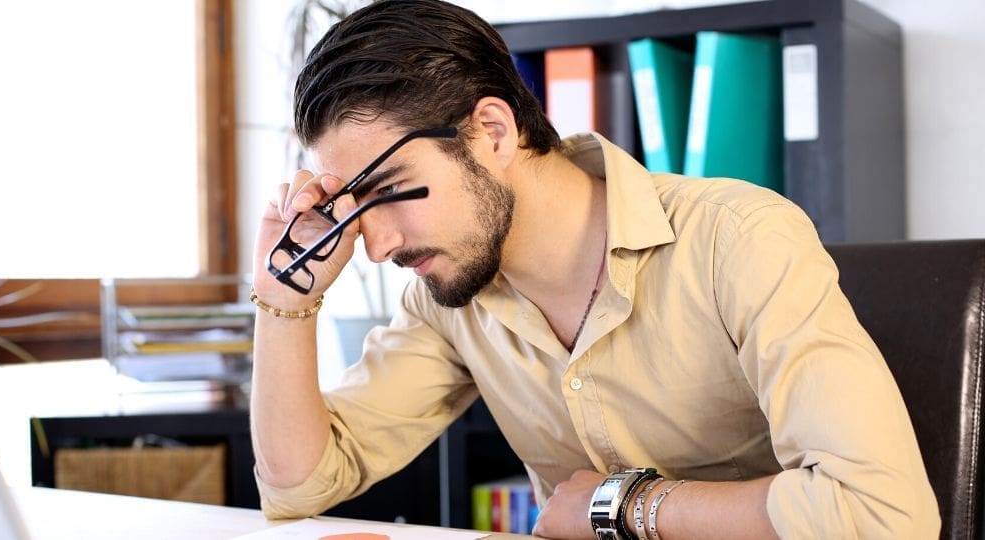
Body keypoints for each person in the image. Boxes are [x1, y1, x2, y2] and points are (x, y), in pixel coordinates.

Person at [248, 0, 940, 538]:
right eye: (350, 207)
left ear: (492, 132)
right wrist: (283, 303)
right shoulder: (447, 297)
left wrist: (619, 506)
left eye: (390, 188)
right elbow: (297, 485)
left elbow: (884, 515)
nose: (374, 246)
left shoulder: (737, 239)